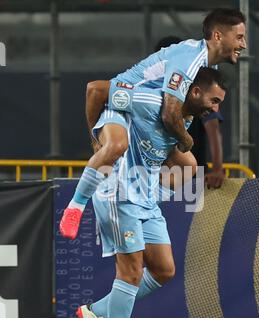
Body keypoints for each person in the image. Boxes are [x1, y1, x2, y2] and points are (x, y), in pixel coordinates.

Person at [73, 68, 226, 318]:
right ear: (194, 91)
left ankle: (96, 311)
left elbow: (170, 151)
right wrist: (96, 137)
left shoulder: (184, 117)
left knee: (163, 269)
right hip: (120, 191)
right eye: (214, 100)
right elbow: (95, 90)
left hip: (145, 197)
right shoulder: (146, 99)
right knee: (130, 271)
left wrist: (179, 146)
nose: (215, 108)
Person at [60, 8, 246, 239]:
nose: (244, 44)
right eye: (239, 37)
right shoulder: (188, 61)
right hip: (125, 107)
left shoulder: (208, 68)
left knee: (188, 165)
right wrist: (95, 138)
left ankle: (141, 204)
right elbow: (168, 113)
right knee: (116, 145)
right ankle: (75, 207)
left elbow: (178, 113)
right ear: (218, 36)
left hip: (150, 119)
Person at [154, 36, 225, 189]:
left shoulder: (198, 95)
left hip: (193, 176)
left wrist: (217, 169)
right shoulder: (155, 94)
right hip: (160, 171)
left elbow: (212, 128)